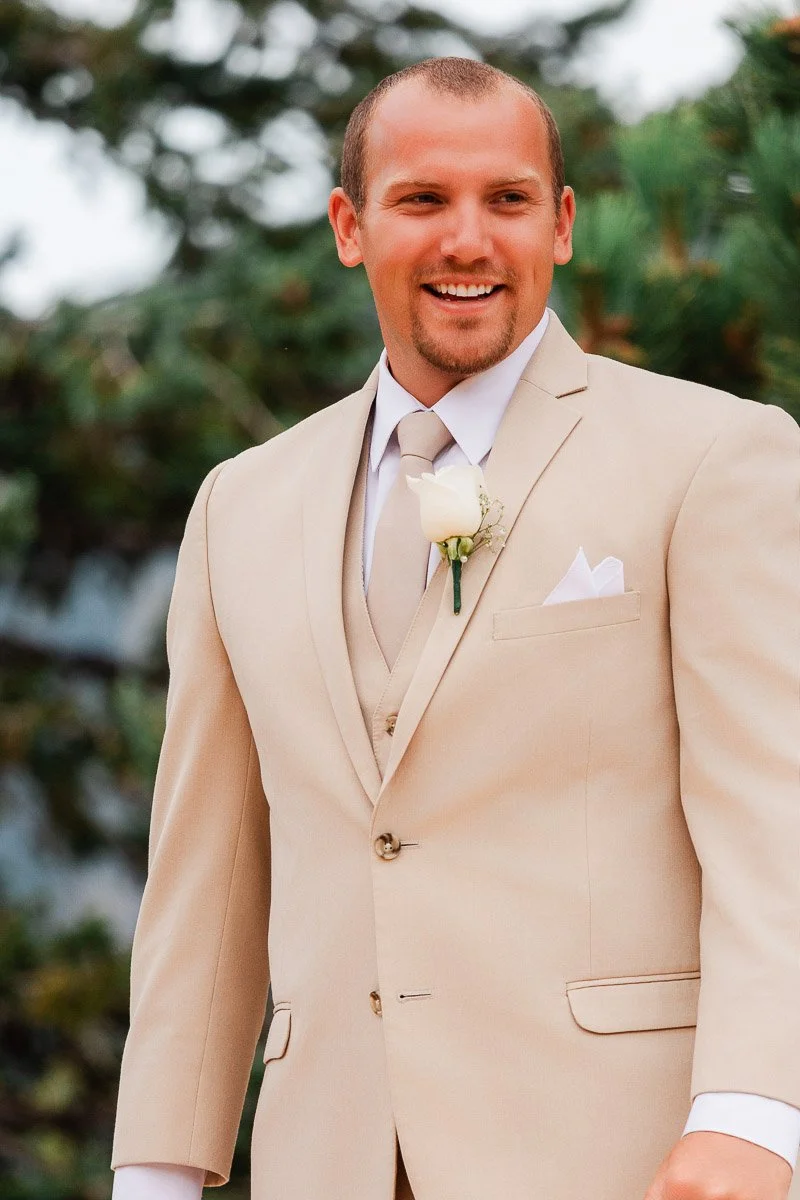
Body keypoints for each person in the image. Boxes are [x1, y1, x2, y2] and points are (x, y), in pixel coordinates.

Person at [110, 58, 800, 1200]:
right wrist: (156, 1172)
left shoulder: (713, 458)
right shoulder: (242, 502)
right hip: (323, 1161)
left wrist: (752, 1113)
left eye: (508, 200)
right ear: (349, 226)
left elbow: (774, 817)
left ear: (563, 224)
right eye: (423, 200)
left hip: (619, 1155)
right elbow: (207, 874)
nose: (467, 241)